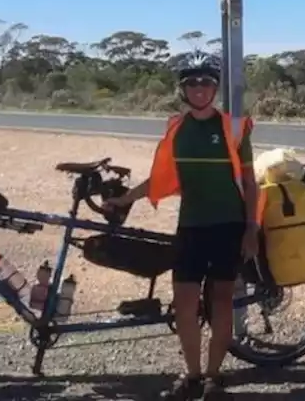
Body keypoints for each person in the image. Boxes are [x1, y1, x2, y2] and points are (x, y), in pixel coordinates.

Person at [104, 51, 260, 401]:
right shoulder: (176, 128)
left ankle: (213, 377)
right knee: (184, 303)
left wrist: (252, 227)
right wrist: (125, 199)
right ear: (183, 89)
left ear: (216, 88)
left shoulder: (235, 128)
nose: (200, 88)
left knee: (221, 302)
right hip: (191, 226)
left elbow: (251, 184)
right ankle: (192, 375)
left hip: (228, 226)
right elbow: (161, 180)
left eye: (206, 82)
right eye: (192, 82)